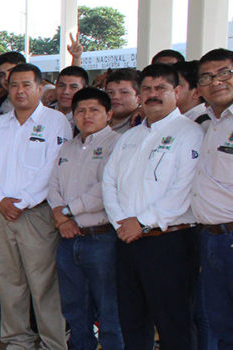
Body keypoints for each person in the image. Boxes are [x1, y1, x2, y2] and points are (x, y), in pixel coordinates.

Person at [103, 63, 203, 350]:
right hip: (126, 239)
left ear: (178, 91)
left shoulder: (190, 133)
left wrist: (142, 221)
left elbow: (183, 189)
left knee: (174, 322)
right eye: (147, 88)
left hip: (168, 242)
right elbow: (109, 181)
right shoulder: (130, 137)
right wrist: (122, 221)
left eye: (161, 88)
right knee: (132, 319)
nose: (153, 94)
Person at [0, 63, 70, 350]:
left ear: (41, 88)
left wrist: (25, 200)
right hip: (1, 212)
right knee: (9, 281)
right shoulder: (0, 124)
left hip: (36, 213)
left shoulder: (56, 121)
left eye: (26, 84)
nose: (19, 91)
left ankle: (53, 343)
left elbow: (53, 167)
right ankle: (17, 340)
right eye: (14, 85)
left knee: (44, 283)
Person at [45, 87, 124, 350]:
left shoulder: (118, 144)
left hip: (101, 238)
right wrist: (60, 216)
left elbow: (106, 189)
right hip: (68, 239)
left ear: (108, 114)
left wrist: (68, 212)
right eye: (80, 110)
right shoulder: (68, 147)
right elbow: (53, 185)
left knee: (109, 307)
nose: (86, 116)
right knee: (75, 308)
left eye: (94, 110)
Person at [193, 49, 233, 350]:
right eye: (207, 77)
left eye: (224, 73)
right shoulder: (208, 123)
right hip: (210, 238)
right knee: (219, 323)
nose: (216, 82)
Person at [104, 69, 141, 133]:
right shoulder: (96, 122)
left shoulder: (141, 123)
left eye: (124, 92)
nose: (115, 97)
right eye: (110, 92)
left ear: (139, 98)